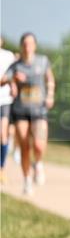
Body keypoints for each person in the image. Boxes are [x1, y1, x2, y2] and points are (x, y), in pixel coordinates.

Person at [2, 33, 55, 195]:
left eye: (30, 43)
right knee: (24, 145)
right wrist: (13, 80)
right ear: (21, 46)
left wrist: (50, 94)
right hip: (21, 110)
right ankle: (26, 180)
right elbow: (2, 80)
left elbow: (50, 79)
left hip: (39, 110)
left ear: (35, 46)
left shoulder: (43, 61)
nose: (27, 46)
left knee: (39, 145)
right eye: (25, 43)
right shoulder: (16, 65)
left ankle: (37, 163)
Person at [0, 37, 16, 184]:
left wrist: (14, 86)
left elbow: (13, 73)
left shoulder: (8, 56)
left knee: (3, 133)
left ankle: (2, 168)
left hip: (4, 100)